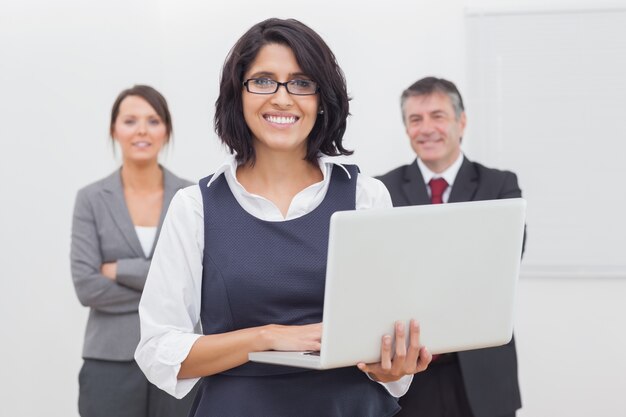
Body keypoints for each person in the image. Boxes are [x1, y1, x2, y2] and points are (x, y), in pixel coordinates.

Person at [135, 18, 431, 417]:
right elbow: (158, 351)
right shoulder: (195, 207)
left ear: (322, 98)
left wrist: (391, 365)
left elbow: (389, 351)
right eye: (263, 81)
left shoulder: (365, 196)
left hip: (350, 406)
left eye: (301, 82)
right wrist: (268, 337)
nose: (282, 97)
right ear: (237, 94)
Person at [377, 76, 523, 417]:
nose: (427, 128)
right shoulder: (381, 189)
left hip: (482, 371)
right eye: (415, 119)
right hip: (408, 372)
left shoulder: (499, 185)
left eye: (437, 115)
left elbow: (505, 261)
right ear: (406, 128)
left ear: (462, 121)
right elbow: (380, 272)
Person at [70, 85, 197, 417]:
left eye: (153, 120)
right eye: (130, 121)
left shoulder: (192, 197)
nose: (142, 130)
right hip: (109, 359)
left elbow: (200, 281)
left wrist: (120, 270)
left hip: (179, 358)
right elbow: (86, 286)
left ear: (167, 131)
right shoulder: (91, 199)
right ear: (114, 130)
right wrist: (164, 287)